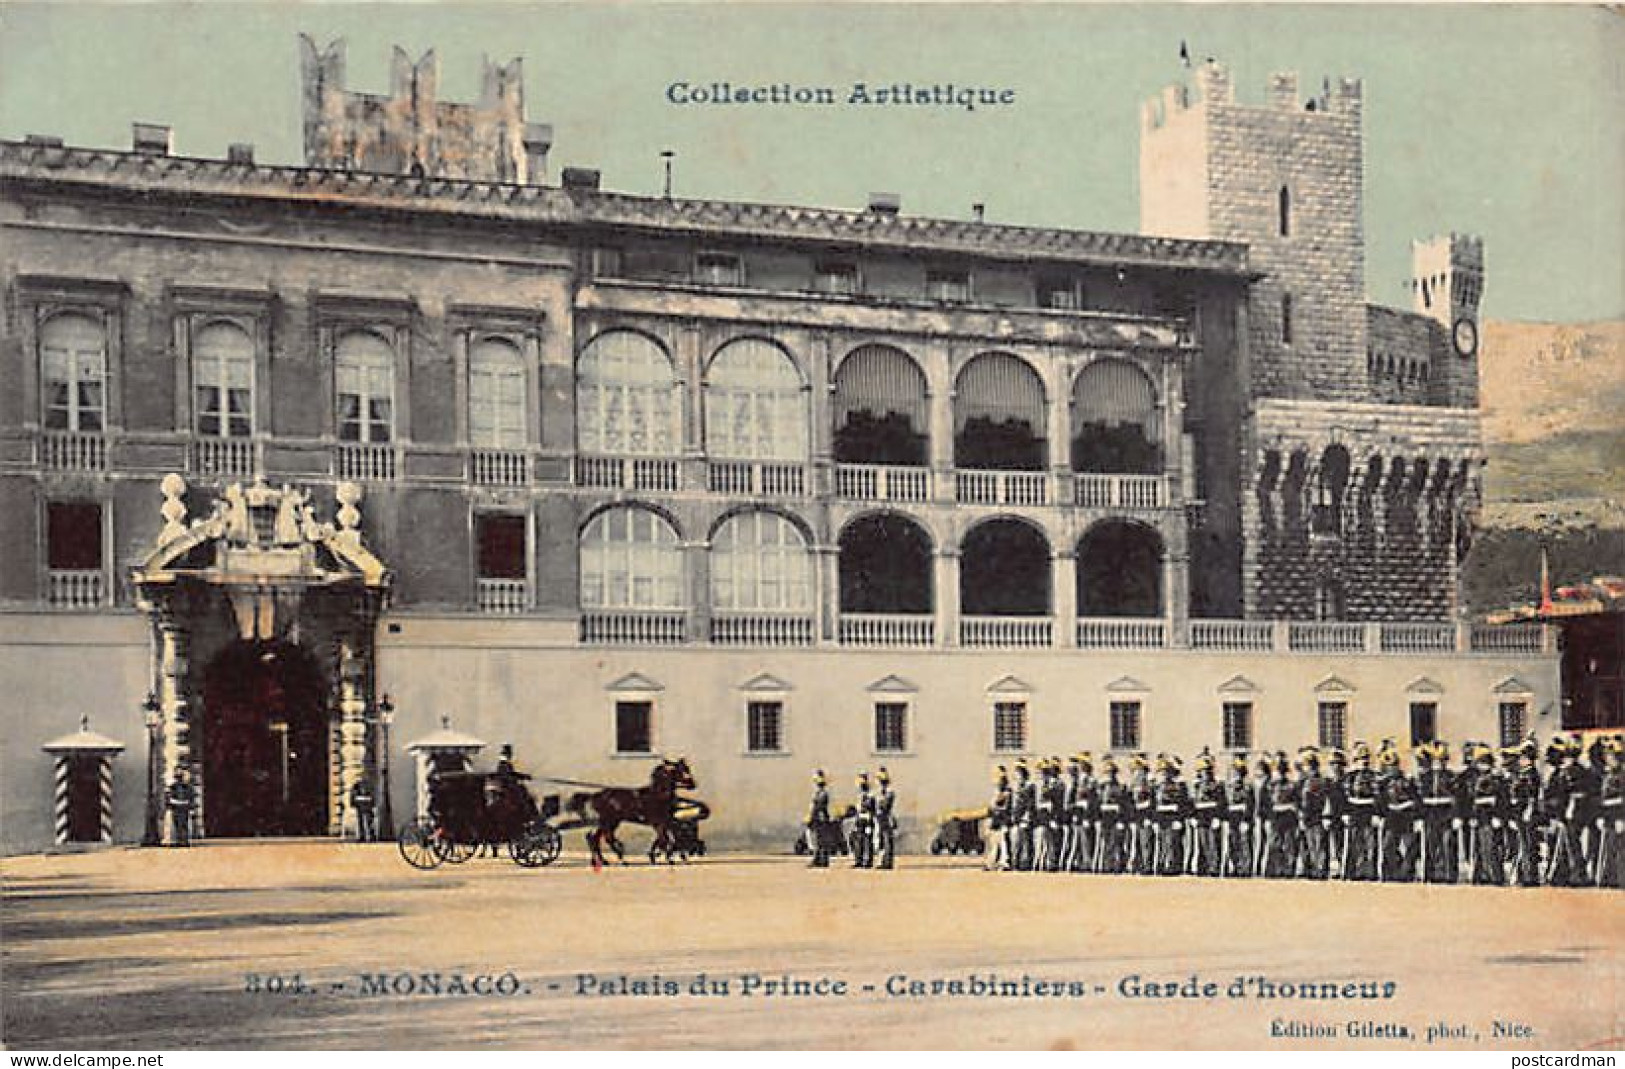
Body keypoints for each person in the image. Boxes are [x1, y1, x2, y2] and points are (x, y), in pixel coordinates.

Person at [1466, 744, 1509, 885]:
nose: (1482, 766)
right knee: (1480, 848)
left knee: (1492, 847)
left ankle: (1495, 876)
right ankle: (1481, 875)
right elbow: (1471, 799)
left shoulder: (1497, 779)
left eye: (1484, 763)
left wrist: (1499, 816)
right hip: (1479, 816)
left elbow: (1502, 799)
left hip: (1492, 816)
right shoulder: (1475, 779)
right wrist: (1472, 815)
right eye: (1480, 763)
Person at [1378, 741, 1421, 883]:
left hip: (1406, 817)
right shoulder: (1383, 783)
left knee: (1410, 847)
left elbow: (1416, 799)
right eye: (1389, 766)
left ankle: (1407, 874)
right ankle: (1391, 873)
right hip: (1391, 818)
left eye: (1394, 765)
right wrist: (1382, 814)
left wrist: (1408, 807)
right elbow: (1379, 801)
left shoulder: (1407, 781)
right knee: (1388, 846)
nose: (1391, 769)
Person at [1418, 742, 1459, 884]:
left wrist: (1455, 816)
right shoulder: (1425, 778)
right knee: (1430, 845)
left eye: (1441, 760)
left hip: (1446, 815)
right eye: (1435, 761)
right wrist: (1420, 816)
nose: (1438, 764)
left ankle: (1449, 875)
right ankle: (1431, 875)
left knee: (1447, 844)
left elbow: (1456, 798)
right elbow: (1420, 799)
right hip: (1430, 815)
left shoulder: (1451, 777)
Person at [1507, 738, 1544, 887]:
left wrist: (1529, 810)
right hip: (1519, 811)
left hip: (1527, 812)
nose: (1521, 760)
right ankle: (1523, 874)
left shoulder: (1532, 774)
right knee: (1522, 843)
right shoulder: (1521, 773)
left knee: (1528, 844)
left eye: (1524, 757)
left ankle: (1530, 876)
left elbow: (1532, 796)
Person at [1341, 742, 1380, 881]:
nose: (1363, 762)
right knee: (1353, 843)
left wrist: (1376, 813)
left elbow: (1378, 796)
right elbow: (1344, 797)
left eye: (1366, 759)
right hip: (1354, 812)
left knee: (1370, 844)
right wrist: (1345, 813)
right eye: (1360, 759)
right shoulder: (1349, 777)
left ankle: (1369, 873)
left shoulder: (1375, 777)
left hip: (1369, 811)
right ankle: (1352, 873)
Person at [1297, 748, 1332, 880]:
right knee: (1309, 845)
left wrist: (1325, 816)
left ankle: (1319, 871)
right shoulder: (1304, 780)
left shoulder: (1319, 781)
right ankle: (1311, 869)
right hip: (1308, 817)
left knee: (1317, 845)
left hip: (1316, 817)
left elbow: (1322, 800)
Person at [1262, 750, 1299, 878]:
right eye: (1277, 770)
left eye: (1281, 770)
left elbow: (1296, 802)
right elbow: (1265, 804)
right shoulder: (1268, 786)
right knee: (1274, 844)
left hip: (1289, 816)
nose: (1279, 773)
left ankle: (1288, 870)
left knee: (1289, 844)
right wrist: (1266, 818)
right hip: (1274, 816)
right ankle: (1274, 870)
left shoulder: (1292, 785)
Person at [1153, 754, 1191, 876]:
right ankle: (1162, 864)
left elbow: (1184, 803)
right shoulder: (1158, 787)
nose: (1163, 775)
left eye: (1165, 772)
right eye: (1161, 772)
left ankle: (1174, 867)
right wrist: (1155, 820)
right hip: (1162, 819)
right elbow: (1154, 805)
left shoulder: (1179, 786)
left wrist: (1179, 819)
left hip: (1174, 819)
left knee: (1173, 843)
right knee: (1163, 843)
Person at [1222, 753, 1254, 877]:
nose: (1235, 775)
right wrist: (1225, 818)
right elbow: (1225, 804)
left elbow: (1250, 804)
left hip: (1243, 818)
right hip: (1231, 818)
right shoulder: (1228, 787)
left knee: (1244, 844)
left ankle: (1244, 868)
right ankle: (1233, 867)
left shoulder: (1247, 787)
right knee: (1232, 843)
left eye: (1238, 772)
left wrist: (1246, 820)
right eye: (1233, 772)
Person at [1095, 757, 1128, 874]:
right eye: (1107, 772)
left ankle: (1118, 866)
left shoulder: (1120, 788)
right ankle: (1107, 865)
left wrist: (1121, 821)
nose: (1109, 775)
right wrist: (1098, 818)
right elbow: (1097, 804)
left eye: (1111, 773)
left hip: (1116, 819)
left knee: (1116, 844)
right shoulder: (1102, 788)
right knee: (1107, 843)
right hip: (1105, 819)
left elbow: (1124, 805)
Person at [1011, 760, 1037, 872]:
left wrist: (1027, 816)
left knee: (1026, 842)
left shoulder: (1029, 786)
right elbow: (1014, 803)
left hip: (1025, 819)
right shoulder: (1016, 786)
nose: (1017, 774)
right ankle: (1015, 863)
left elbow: (1030, 803)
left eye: (1019, 771)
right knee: (1016, 842)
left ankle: (1025, 863)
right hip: (1016, 818)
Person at [987, 765, 1012, 872]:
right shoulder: (997, 791)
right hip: (996, 820)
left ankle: (1004, 862)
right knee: (994, 843)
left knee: (1003, 843)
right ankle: (992, 863)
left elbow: (1003, 806)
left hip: (1003, 820)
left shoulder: (1006, 791)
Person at [806, 769, 831, 868]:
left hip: (819, 819)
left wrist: (811, 816)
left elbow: (817, 807)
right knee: (818, 840)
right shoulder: (819, 793)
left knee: (819, 840)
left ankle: (820, 859)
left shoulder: (821, 794)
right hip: (819, 818)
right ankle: (820, 859)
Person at [874, 766, 897, 870]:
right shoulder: (879, 793)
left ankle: (887, 861)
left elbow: (885, 805)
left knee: (887, 839)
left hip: (886, 817)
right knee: (881, 840)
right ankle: (882, 860)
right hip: (880, 818)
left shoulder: (889, 792)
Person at [165, 767, 195, 847]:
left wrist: (191, 808)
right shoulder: (172, 787)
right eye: (178, 776)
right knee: (176, 824)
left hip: (184, 808)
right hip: (176, 808)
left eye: (180, 776)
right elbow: (169, 798)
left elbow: (191, 797)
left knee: (184, 824)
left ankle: (184, 841)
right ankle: (177, 840)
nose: (179, 779)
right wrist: (170, 804)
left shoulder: (188, 787)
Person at [852, 771, 876, 869]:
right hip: (860, 819)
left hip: (867, 818)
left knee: (867, 840)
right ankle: (859, 860)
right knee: (859, 840)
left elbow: (871, 807)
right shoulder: (860, 795)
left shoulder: (870, 795)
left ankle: (867, 861)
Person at [350, 776, 377, 843]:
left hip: (365, 806)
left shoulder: (366, 786)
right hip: (362, 806)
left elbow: (372, 796)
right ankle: (365, 836)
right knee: (363, 822)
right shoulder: (357, 786)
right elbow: (353, 796)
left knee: (368, 822)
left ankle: (370, 836)